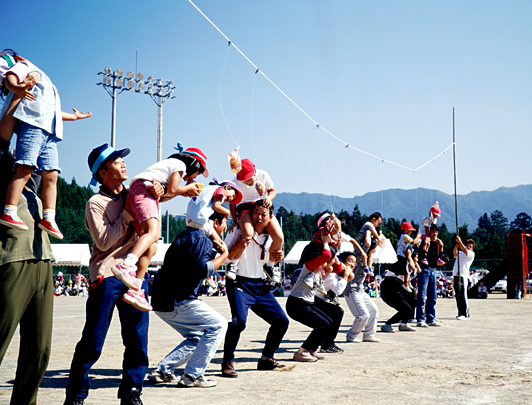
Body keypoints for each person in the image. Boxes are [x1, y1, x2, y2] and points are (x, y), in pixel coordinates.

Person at [64, 144, 163, 405]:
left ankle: (132, 392)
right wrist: (128, 215)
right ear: (102, 173)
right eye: (116, 161)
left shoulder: (135, 193)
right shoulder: (95, 203)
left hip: (135, 276)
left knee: (137, 340)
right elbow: (105, 241)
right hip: (107, 274)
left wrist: (160, 193)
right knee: (93, 342)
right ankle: (76, 395)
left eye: (122, 160)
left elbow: (153, 215)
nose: (123, 164)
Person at [0, 58, 92, 240]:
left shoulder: (42, 78)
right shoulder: (26, 68)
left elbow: (53, 111)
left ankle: (49, 217)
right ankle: (9, 210)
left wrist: (74, 117)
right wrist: (15, 87)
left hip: (51, 132)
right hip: (33, 125)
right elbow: (10, 77)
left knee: (52, 175)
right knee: (25, 168)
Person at [112, 143, 209, 311]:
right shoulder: (179, 165)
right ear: (193, 163)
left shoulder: (168, 169)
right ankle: (126, 265)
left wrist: (183, 191)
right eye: (199, 172)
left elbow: (166, 193)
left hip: (140, 193)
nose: (196, 177)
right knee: (154, 233)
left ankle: (135, 288)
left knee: (151, 248)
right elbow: (172, 188)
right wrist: (186, 188)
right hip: (143, 191)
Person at [0, 144, 55, 405]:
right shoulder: (6, 171)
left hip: (42, 258)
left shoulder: (32, 177)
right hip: (12, 258)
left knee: (40, 350)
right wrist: (17, 100)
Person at [148, 211, 229, 388]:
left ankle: (163, 370)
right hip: (177, 299)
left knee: (197, 336)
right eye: (225, 223)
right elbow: (203, 269)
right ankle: (192, 375)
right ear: (215, 222)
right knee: (218, 325)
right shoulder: (200, 238)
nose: (226, 227)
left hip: (163, 299)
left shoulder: (189, 235)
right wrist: (224, 255)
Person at [221, 199, 289, 377]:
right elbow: (226, 259)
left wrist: (278, 258)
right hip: (238, 283)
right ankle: (227, 361)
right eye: (256, 212)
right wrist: (241, 243)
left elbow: (268, 264)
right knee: (239, 322)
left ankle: (266, 358)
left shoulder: (271, 238)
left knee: (282, 321)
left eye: (263, 214)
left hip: (259, 285)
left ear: (270, 218)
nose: (259, 216)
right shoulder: (238, 230)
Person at [286, 230, 341, 361]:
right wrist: (325, 241)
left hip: (307, 303)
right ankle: (301, 352)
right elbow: (326, 255)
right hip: (297, 304)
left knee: (329, 322)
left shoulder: (320, 270)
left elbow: (337, 268)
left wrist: (332, 262)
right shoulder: (309, 266)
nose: (331, 259)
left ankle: (312, 350)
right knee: (323, 324)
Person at [227, 158, 283, 283]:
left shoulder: (263, 174)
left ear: (254, 172)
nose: (247, 182)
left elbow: (272, 191)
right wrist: (235, 221)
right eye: (244, 180)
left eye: (248, 178)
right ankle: (233, 264)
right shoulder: (234, 182)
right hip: (244, 208)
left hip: (262, 206)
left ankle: (270, 265)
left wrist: (268, 198)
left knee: (279, 237)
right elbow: (232, 203)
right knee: (247, 233)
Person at [314, 251, 355, 353]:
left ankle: (325, 342)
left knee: (337, 312)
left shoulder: (338, 272)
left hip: (321, 300)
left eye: (354, 262)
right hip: (313, 300)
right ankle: (327, 344)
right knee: (337, 312)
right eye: (349, 261)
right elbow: (338, 290)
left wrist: (348, 272)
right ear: (341, 261)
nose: (352, 264)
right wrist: (346, 273)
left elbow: (351, 277)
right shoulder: (332, 273)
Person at [344, 239, 380, 343]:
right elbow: (367, 243)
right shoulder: (360, 256)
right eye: (375, 248)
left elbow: (369, 269)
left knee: (373, 310)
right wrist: (370, 228)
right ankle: (351, 336)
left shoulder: (367, 257)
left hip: (360, 289)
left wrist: (371, 254)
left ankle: (369, 335)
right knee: (362, 315)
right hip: (351, 289)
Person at [380, 253, 419, 333]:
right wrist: (409, 256)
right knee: (406, 309)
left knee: (413, 302)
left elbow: (418, 270)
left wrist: (414, 261)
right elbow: (411, 266)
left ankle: (403, 324)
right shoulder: (401, 264)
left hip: (396, 289)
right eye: (417, 257)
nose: (417, 259)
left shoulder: (407, 266)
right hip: (388, 290)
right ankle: (387, 325)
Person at [416, 224, 444, 328]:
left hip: (433, 270)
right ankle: (420, 319)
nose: (434, 233)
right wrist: (424, 243)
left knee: (433, 297)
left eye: (436, 232)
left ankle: (431, 318)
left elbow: (441, 256)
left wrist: (440, 246)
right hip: (424, 269)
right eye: (432, 231)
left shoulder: (437, 243)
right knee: (422, 296)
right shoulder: (424, 241)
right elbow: (418, 252)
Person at [453, 236, 475, 319]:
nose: (468, 247)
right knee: (457, 295)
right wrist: (456, 247)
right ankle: (460, 312)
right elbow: (455, 254)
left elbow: (465, 251)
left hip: (463, 276)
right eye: (467, 245)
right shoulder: (461, 253)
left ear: (472, 248)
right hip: (456, 275)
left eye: (470, 246)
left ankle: (465, 314)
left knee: (462, 294)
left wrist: (460, 241)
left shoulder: (470, 254)